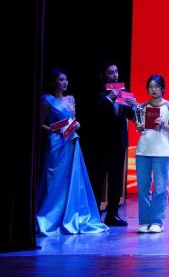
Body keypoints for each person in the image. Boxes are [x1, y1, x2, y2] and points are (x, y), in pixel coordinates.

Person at [35, 69, 108, 236]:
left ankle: (70, 215)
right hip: (56, 142)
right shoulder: (47, 100)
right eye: (61, 80)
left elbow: (72, 120)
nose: (65, 83)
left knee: (71, 179)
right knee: (54, 180)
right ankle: (48, 218)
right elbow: (40, 124)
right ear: (53, 82)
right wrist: (53, 130)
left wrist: (76, 124)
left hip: (71, 141)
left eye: (66, 80)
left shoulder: (70, 99)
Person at [81, 62, 130, 227]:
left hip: (119, 143)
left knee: (116, 180)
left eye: (116, 71)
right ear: (102, 75)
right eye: (111, 72)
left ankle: (112, 214)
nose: (115, 75)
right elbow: (93, 113)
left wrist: (134, 105)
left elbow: (130, 115)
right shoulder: (96, 93)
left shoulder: (124, 92)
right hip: (100, 144)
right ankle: (95, 214)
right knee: (98, 179)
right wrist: (110, 97)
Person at [134, 74, 169, 233]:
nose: (153, 90)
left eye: (157, 86)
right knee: (143, 188)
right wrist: (139, 127)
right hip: (143, 150)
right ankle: (144, 221)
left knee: (160, 188)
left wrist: (163, 125)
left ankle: (157, 222)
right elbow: (140, 128)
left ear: (163, 89)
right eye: (150, 87)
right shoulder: (141, 107)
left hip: (162, 151)